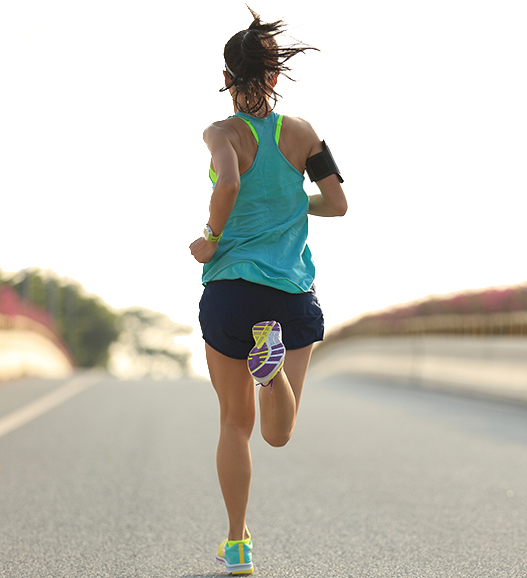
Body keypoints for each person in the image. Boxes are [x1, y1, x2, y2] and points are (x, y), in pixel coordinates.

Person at [188, 7, 347, 575]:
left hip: (232, 291)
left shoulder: (221, 132)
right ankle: (272, 370)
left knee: (236, 423)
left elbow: (228, 180)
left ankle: (237, 543)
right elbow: (339, 202)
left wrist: (210, 237)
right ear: (276, 76)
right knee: (279, 433)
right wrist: (292, 202)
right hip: (290, 296)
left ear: (226, 78)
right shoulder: (303, 134)